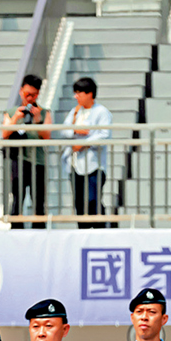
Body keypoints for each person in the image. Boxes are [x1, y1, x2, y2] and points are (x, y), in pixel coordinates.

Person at [62, 76, 113, 229]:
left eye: (79, 93)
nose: (76, 97)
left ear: (89, 94)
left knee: (93, 200)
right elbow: (64, 130)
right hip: (76, 164)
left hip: (94, 166)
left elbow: (104, 135)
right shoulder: (75, 111)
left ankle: (100, 231)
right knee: (79, 202)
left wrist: (83, 144)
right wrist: (75, 130)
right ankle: (82, 232)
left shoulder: (102, 112)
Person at [2, 74, 50, 229]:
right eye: (27, 94)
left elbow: (47, 137)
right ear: (21, 91)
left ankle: (40, 232)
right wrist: (16, 117)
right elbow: (4, 133)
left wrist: (37, 119)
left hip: (38, 161)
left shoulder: (44, 112)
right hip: (18, 161)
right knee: (17, 199)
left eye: (34, 95)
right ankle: (16, 231)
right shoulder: (11, 112)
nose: (30, 98)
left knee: (38, 202)